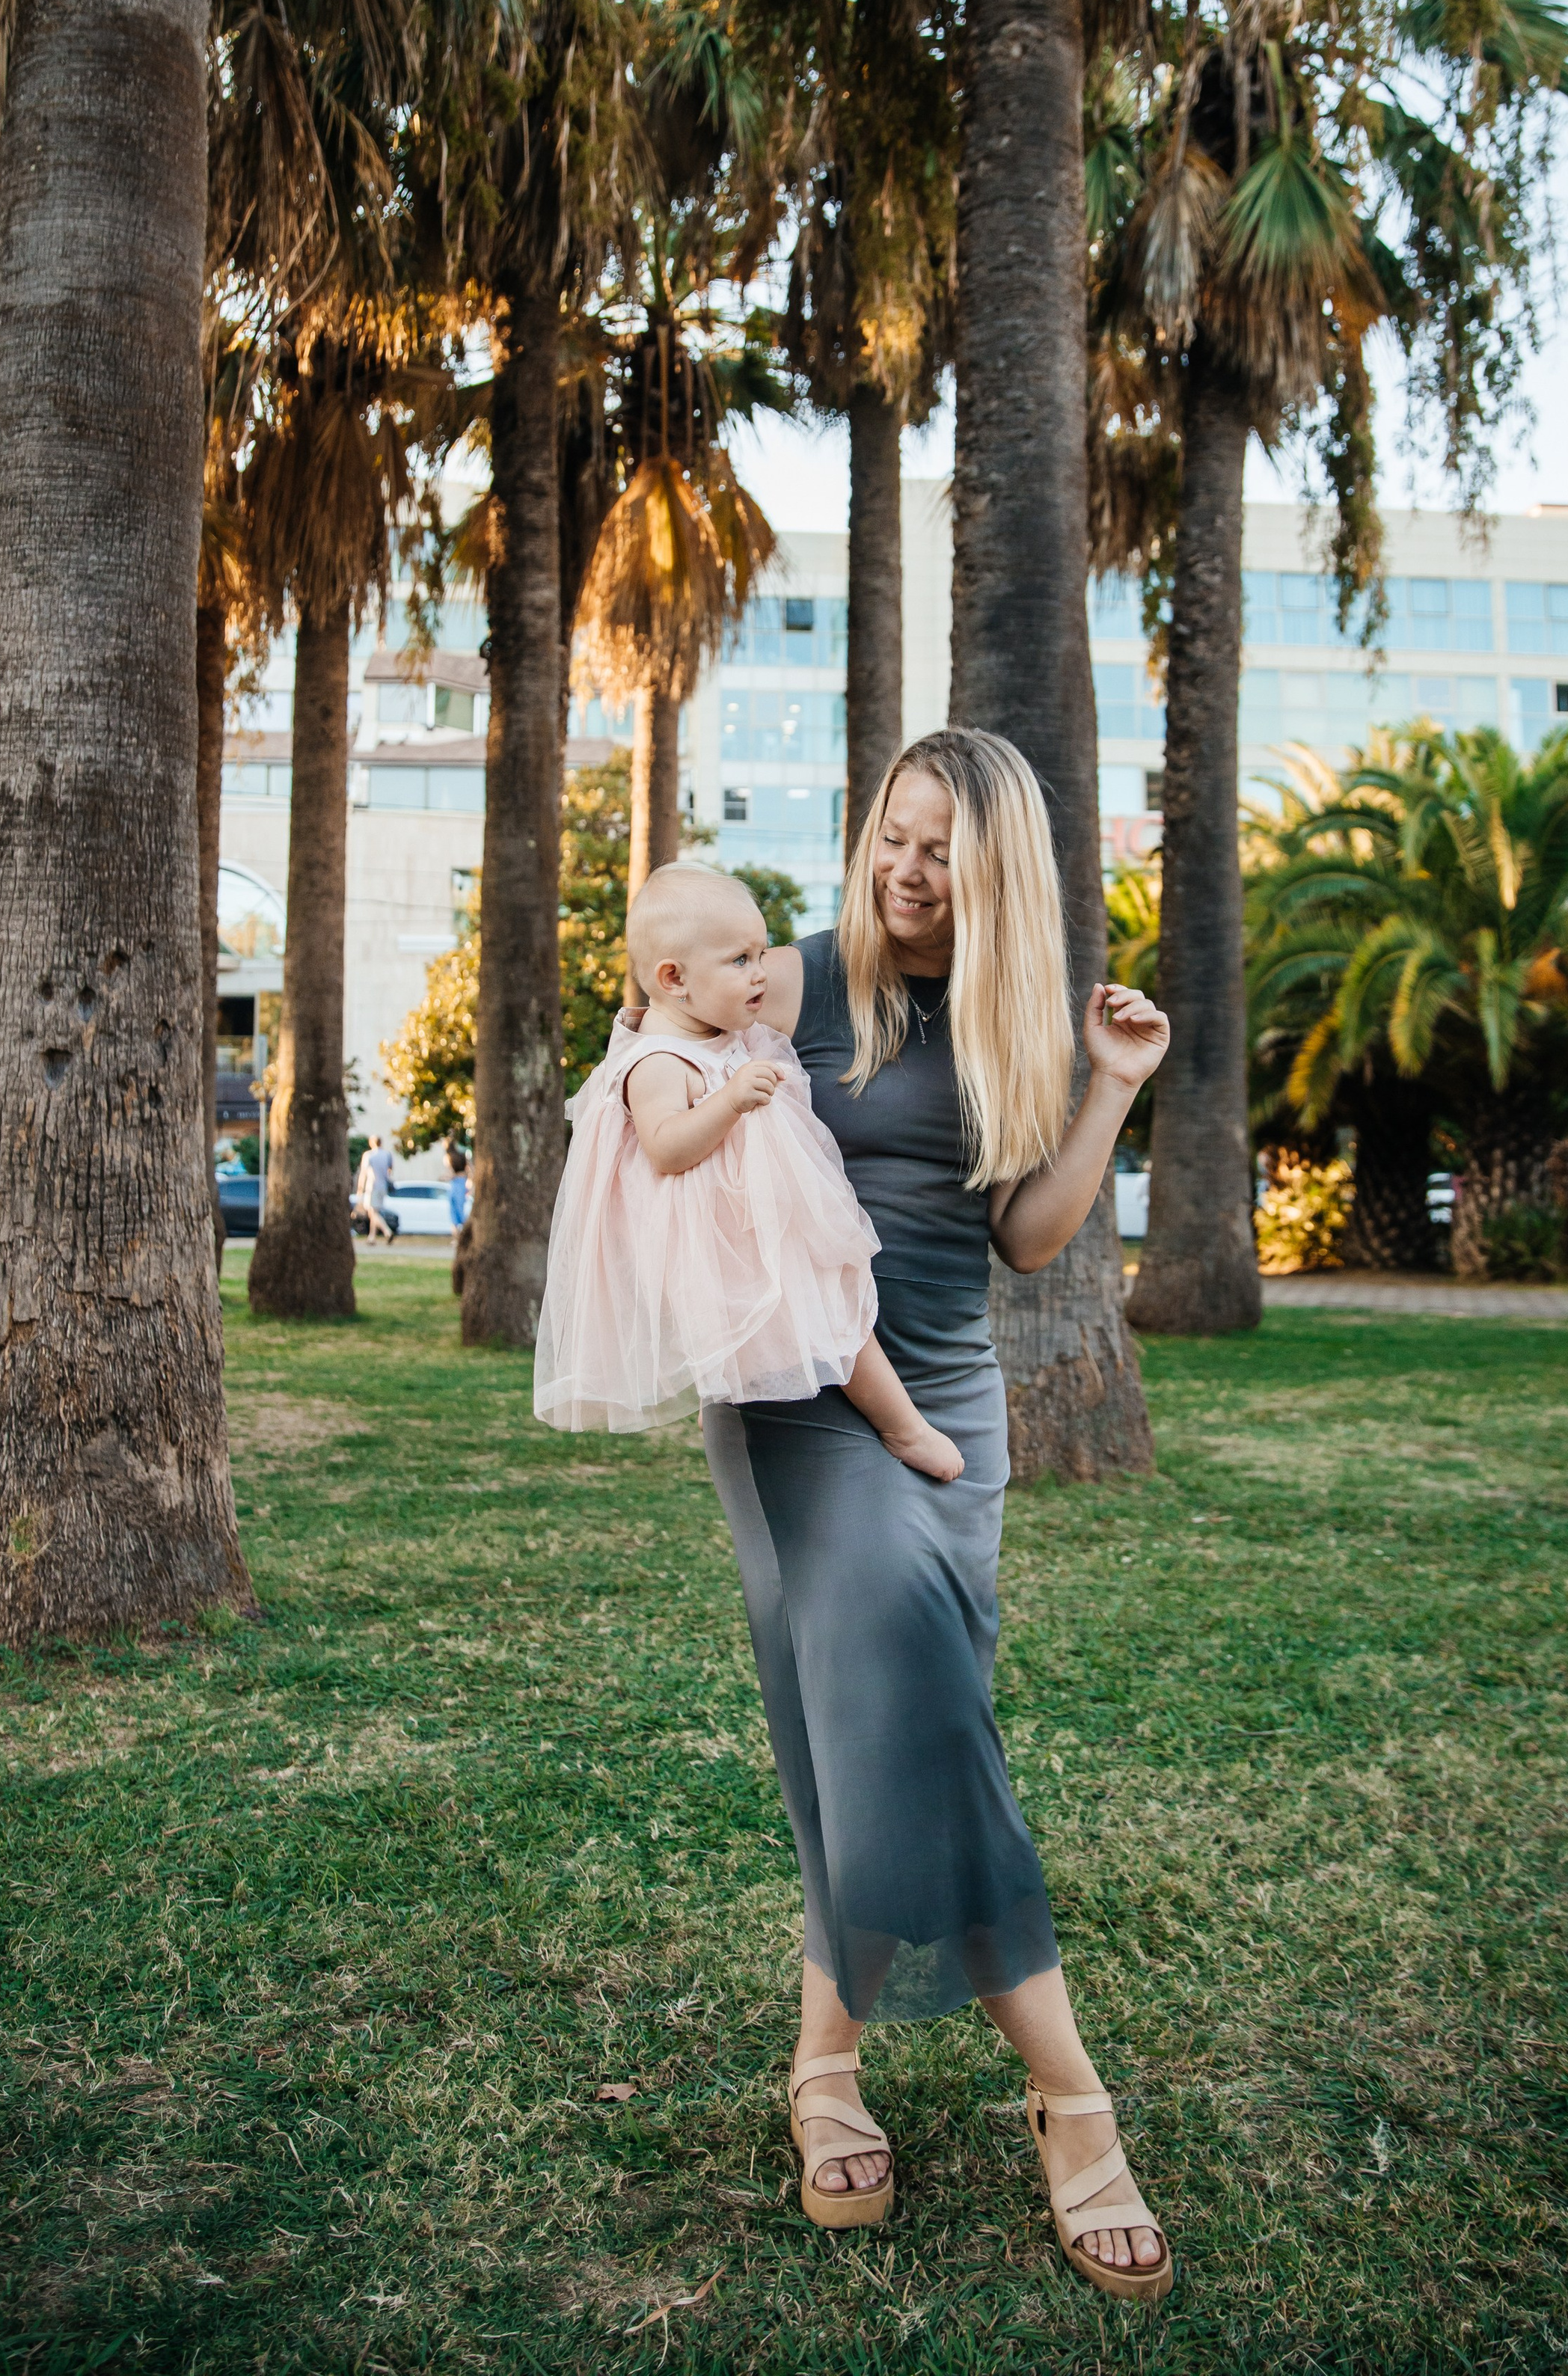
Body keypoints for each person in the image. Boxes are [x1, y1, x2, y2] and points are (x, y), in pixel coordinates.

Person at [702, 726, 1175, 2301]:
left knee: (889, 1719)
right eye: (892, 840)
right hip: (797, 1403)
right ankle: (1071, 2092)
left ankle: (822, 2061)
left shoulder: (1020, 1015)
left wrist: (1106, 1094)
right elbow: (671, 1122)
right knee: (897, 1680)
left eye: (941, 853)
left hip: (951, 1412)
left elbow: (1027, 1238)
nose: (908, 874)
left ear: (997, 875)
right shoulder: (792, 977)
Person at [535, 864, 966, 1481]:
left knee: (834, 1303)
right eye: (740, 960)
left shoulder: (720, 1032)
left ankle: (889, 1421)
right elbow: (665, 1147)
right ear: (674, 978)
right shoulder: (658, 1060)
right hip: (724, 1241)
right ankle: (905, 1427)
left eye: (761, 952)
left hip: (759, 1215)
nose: (761, 971)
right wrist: (729, 1100)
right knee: (829, 1313)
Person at [354, 1134, 394, 1246]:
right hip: (383, 1186)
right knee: (374, 1211)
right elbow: (390, 1170)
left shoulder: (369, 1155)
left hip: (372, 1186)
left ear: (372, 1143)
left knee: (373, 1212)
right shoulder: (387, 1155)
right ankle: (372, 1237)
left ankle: (387, 1231)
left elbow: (364, 1173)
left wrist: (360, 1188)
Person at [446, 1138, 468, 1231]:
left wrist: (444, 1178)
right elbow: (469, 1170)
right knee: (461, 1209)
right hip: (462, 1182)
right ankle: (463, 1231)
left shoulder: (449, 1157)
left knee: (454, 1214)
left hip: (455, 1184)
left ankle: (457, 1236)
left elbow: (451, 1174)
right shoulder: (462, 1155)